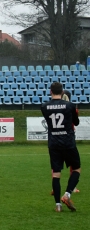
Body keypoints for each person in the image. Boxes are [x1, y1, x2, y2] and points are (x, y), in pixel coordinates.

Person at [41, 82, 81, 212]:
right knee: (76, 169)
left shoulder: (44, 106)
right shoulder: (69, 106)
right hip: (68, 142)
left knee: (56, 174)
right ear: (62, 92)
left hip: (54, 143)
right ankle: (67, 194)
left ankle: (58, 205)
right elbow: (76, 122)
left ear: (50, 91)